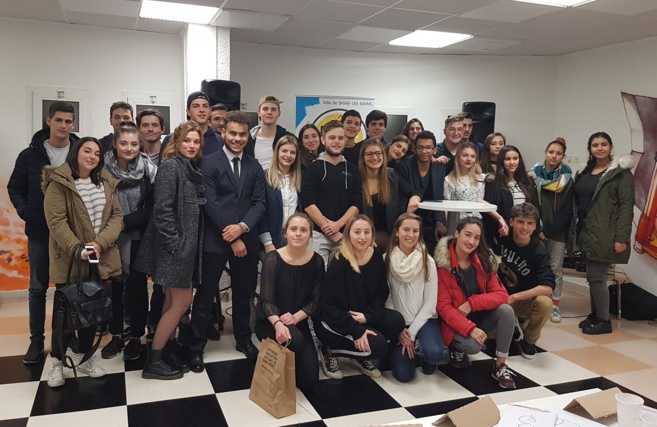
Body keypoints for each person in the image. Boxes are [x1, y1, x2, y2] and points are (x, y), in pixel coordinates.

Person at [43, 136, 123, 387]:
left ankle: (86, 357)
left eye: (97, 153)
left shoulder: (105, 181)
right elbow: (56, 221)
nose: (92, 156)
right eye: (87, 151)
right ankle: (57, 362)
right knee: (65, 314)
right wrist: (78, 248)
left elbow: (116, 216)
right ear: (76, 153)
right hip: (71, 259)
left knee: (92, 311)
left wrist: (100, 243)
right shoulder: (60, 182)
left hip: (99, 257)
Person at [190, 111, 266, 371]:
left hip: (247, 239)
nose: (237, 138)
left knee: (244, 294)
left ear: (248, 136)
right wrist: (232, 236)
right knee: (205, 294)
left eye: (242, 134)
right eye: (232, 133)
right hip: (216, 239)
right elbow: (209, 202)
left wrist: (241, 228)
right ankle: (196, 347)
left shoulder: (255, 166)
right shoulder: (208, 162)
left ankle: (243, 340)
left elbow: (259, 203)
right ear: (223, 132)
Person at [8, 101, 78, 364]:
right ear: (49, 121)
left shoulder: (79, 153)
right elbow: (15, 187)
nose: (63, 126)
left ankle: (66, 337)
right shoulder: (30, 155)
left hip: (71, 234)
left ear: (73, 124)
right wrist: (26, 211)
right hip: (39, 231)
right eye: (59, 120)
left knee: (67, 288)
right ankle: (36, 341)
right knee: (37, 288)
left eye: (68, 121)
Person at [136, 121, 205, 380]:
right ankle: (154, 360)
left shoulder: (187, 167)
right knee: (182, 302)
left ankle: (167, 350)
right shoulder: (170, 167)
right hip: (173, 250)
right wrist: (175, 245)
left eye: (196, 141)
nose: (192, 145)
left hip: (181, 249)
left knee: (171, 301)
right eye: (187, 140)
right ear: (176, 142)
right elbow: (162, 210)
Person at [314, 215, 405, 379]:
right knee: (378, 347)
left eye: (366, 232)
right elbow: (329, 306)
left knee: (396, 321)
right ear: (348, 234)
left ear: (372, 234)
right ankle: (329, 351)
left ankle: (360, 352)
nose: (362, 237)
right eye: (357, 232)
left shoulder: (375, 256)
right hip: (334, 322)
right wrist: (356, 330)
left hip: (361, 315)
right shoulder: (340, 260)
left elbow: (381, 293)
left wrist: (368, 317)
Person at [435, 217, 517, 389]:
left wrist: (472, 303)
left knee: (506, 311)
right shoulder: (442, 265)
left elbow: (502, 295)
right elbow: (443, 308)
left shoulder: (485, 260)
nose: (471, 241)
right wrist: (470, 328)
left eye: (476, 237)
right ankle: (455, 347)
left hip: (480, 316)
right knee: (473, 346)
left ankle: (500, 365)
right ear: (457, 233)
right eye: (467, 235)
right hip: (455, 322)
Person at [102, 122, 157, 361]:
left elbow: (152, 206)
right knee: (113, 289)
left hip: (137, 236)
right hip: (108, 238)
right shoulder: (101, 170)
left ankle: (136, 336)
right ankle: (115, 335)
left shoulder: (149, 170)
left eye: (134, 144)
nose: (129, 148)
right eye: (123, 143)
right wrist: (114, 226)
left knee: (136, 288)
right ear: (115, 143)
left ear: (140, 145)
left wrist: (127, 222)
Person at [574, 132, 635, 335]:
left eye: (604, 144)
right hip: (587, 231)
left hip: (606, 233)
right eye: (595, 145)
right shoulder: (587, 172)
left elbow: (626, 208)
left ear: (610, 147)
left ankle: (603, 320)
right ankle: (595, 315)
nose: (599, 148)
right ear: (590, 149)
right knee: (592, 276)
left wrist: (621, 238)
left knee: (597, 277)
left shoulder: (620, 174)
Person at [255, 213, 325, 390]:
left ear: (310, 235)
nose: (298, 233)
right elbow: (266, 301)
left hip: (298, 321)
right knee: (296, 340)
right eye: (293, 229)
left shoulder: (317, 261)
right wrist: (278, 324)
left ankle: (291, 357)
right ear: (285, 233)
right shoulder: (273, 259)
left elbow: (315, 300)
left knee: (309, 381)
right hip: (271, 321)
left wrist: (295, 318)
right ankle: (278, 356)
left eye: (303, 230)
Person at [385, 213, 441, 383]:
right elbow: (387, 298)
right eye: (406, 230)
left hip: (424, 319)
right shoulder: (385, 260)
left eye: (415, 231)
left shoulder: (427, 261)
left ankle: (423, 351)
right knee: (404, 376)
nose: (411, 235)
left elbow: (430, 304)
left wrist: (412, 333)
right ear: (397, 232)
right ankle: (400, 348)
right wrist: (399, 329)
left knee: (434, 354)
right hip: (399, 323)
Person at [495, 203, 555, 359]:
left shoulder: (539, 251)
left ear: (535, 226)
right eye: (520, 222)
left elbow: (548, 287)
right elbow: (483, 204)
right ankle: (512, 326)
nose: (525, 227)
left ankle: (529, 341)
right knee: (489, 337)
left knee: (545, 303)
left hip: (520, 300)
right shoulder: (501, 238)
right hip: (497, 298)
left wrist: (515, 297)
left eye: (530, 223)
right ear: (511, 222)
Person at [301, 120, 362, 265]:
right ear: (323, 140)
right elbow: (308, 204)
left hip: (344, 235)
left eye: (340, 138)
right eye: (332, 138)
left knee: (342, 277)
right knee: (316, 275)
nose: (337, 142)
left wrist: (337, 226)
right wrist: (329, 230)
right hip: (317, 235)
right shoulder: (312, 169)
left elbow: (357, 203)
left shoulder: (353, 170)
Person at [528, 138, 574, 323]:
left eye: (558, 153)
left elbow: (567, 209)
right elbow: (529, 202)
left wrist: (549, 230)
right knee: (535, 266)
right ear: (546, 153)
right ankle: (536, 302)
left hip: (557, 231)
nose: (554, 156)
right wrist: (535, 228)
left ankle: (554, 305)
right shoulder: (532, 174)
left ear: (563, 156)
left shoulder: (567, 178)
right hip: (534, 229)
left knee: (555, 268)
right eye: (551, 152)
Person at [358, 138, 420, 248]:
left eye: (378, 153)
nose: (375, 158)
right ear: (363, 157)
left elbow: (414, 192)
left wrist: (414, 198)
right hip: (363, 233)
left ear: (383, 155)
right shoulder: (356, 178)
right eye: (370, 154)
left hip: (388, 232)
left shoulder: (391, 175)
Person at [395, 130, 448, 254]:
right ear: (414, 149)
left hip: (430, 223)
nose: (424, 151)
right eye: (420, 148)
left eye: (428, 148)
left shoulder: (439, 168)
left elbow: (438, 197)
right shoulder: (403, 166)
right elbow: (401, 198)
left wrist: (440, 222)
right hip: (409, 220)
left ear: (435, 150)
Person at [483, 145, 537, 247]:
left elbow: (535, 209)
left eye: (515, 158)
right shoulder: (493, 183)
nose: (512, 162)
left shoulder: (528, 182)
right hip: (503, 232)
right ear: (501, 161)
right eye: (507, 159)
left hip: (525, 233)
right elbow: (490, 210)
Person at [260, 135, 303, 252]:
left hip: (294, 238)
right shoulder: (265, 177)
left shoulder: (300, 178)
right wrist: (267, 242)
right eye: (284, 151)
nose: (288, 155)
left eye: (292, 152)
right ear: (277, 152)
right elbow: (260, 211)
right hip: (270, 240)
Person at [162, 91, 224, 157]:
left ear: (210, 111)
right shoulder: (171, 139)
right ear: (188, 112)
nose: (201, 110)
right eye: (196, 106)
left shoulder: (220, 141)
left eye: (205, 106)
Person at [246, 95, 293, 170]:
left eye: (273, 109)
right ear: (259, 112)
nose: (269, 112)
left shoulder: (288, 138)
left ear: (279, 114)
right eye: (265, 109)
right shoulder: (247, 139)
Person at [443, 142, 486, 219]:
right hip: (457, 221)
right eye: (465, 155)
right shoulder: (449, 179)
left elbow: (481, 202)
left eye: (473, 156)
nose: (469, 159)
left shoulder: (481, 178)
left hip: (476, 221)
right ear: (458, 157)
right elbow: (446, 207)